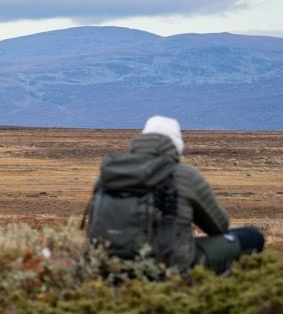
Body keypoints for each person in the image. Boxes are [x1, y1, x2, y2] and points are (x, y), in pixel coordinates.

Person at [85, 115, 265, 274]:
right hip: (168, 266)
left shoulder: (110, 172)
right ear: (176, 146)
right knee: (252, 237)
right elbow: (219, 226)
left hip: (107, 263)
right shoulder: (183, 174)